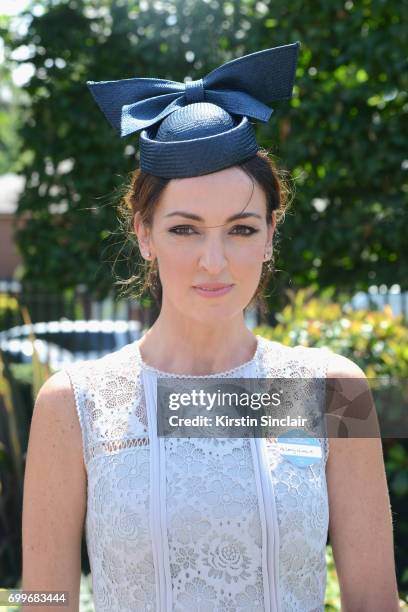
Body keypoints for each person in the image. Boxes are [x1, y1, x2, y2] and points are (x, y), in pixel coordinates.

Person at [21, 43, 400, 611]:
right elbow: (44, 601)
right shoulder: (77, 404)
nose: (214, 261)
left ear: (271, 234)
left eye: (241, 230)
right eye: (185, 229)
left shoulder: (331, 391)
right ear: (144, 233)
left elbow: (373, 602)